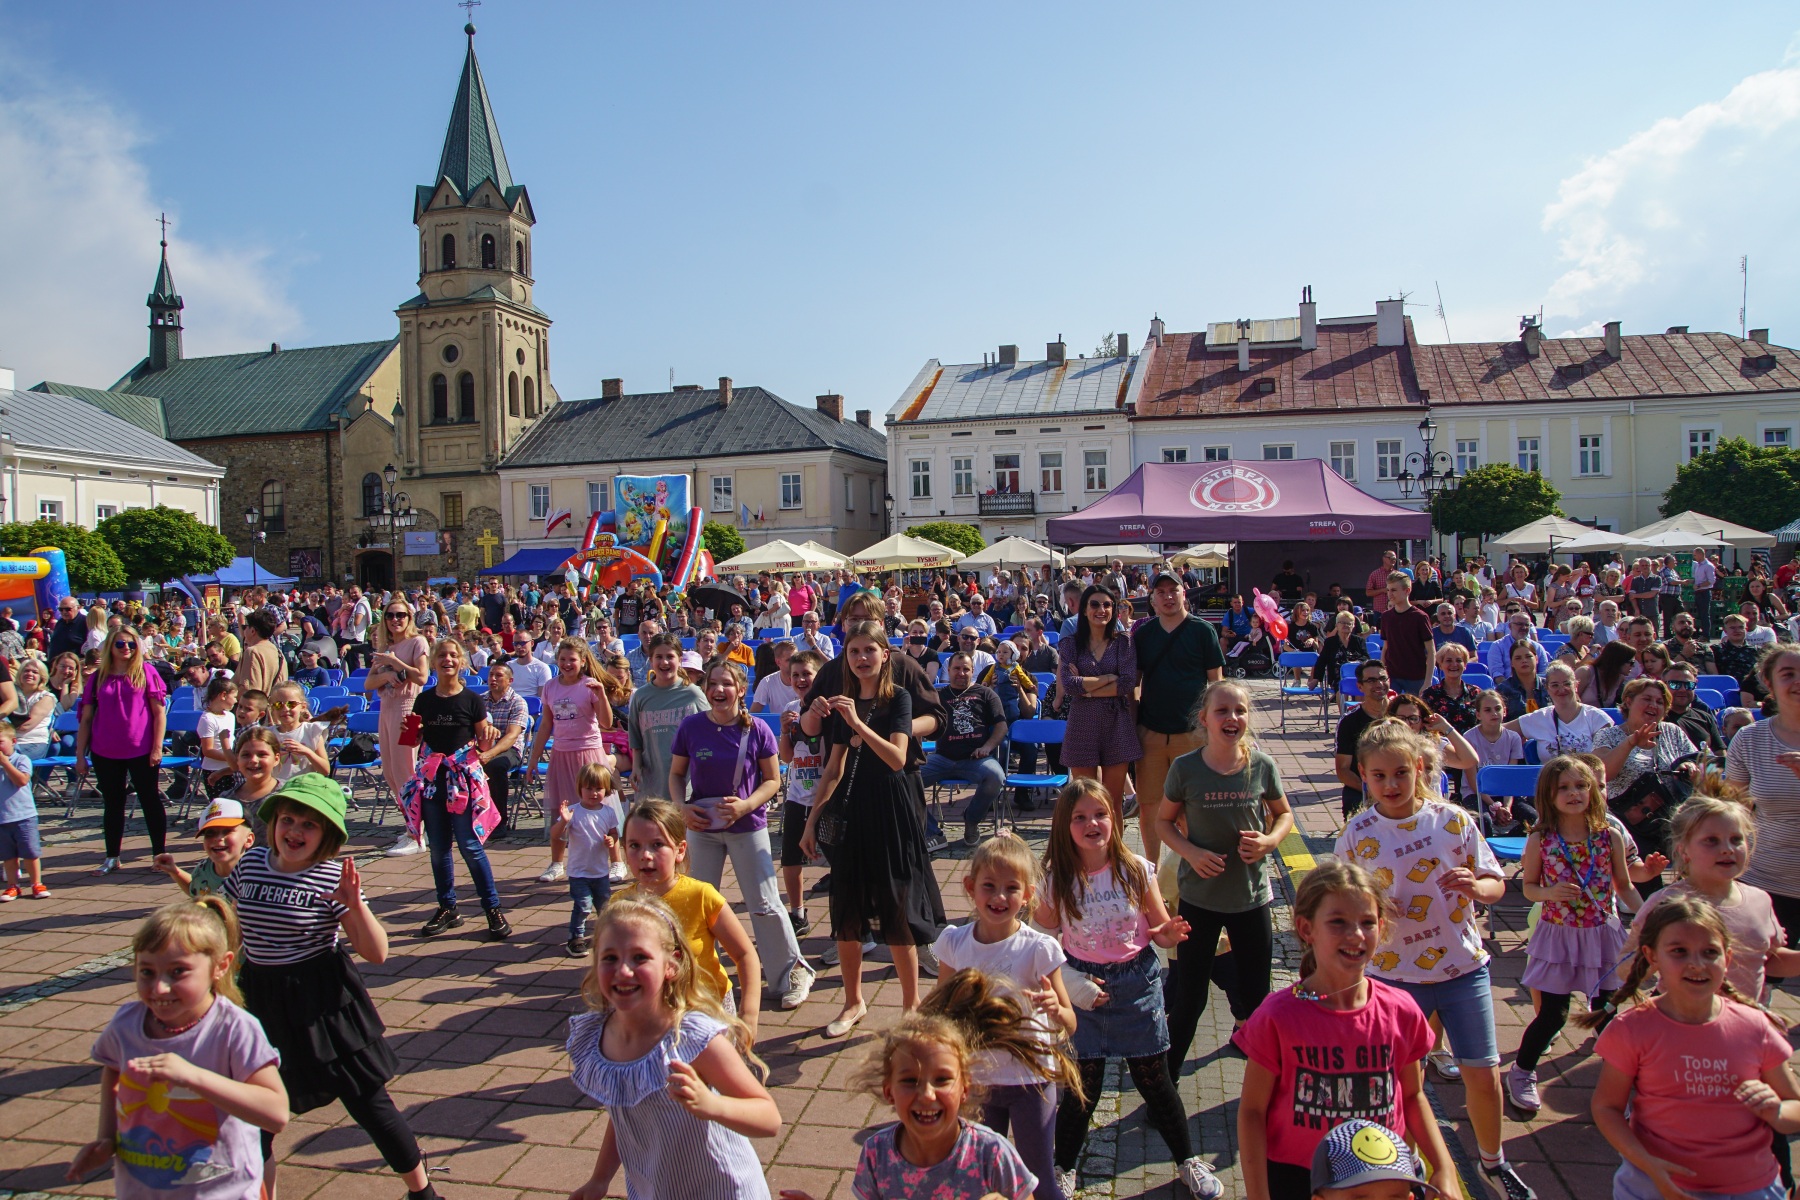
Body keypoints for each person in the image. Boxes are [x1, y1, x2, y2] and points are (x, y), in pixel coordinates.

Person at [1336, 722, 1528, 1199]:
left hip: (1463, 968)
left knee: (1482, 1072)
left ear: (1419, 768)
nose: (1391, 784)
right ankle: (1407, 1166)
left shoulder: (1452, 820)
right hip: (1393, 977)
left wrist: (1476, 887)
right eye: (1379, 776)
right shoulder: (1358, 833)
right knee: (1403, 1080)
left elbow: (1495, 882)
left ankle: (1492, 1161)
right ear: (1363, 775)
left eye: (1401, 772)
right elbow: (1341, 903)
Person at [224, 774, 437, 1200]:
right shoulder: (250, 864)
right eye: (288, 820)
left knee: (368, 1101)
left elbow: (376, 952)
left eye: (309, 825)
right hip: (260, 997)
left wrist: (355, 905)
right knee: (255, 1111)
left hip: (320, 998)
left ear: (327, 835)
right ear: (272, 822)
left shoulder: (330, 878)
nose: (294, 831)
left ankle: (423, 1193)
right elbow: (230, 928)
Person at [1234, 859, 1459, 1200]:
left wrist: (1445, 1167)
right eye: (1337, 922)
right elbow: (1252, 1111)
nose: (1355, 934)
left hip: (1382, 1174)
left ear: (1382, 927)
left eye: (1367, 922)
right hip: (1297, 1177)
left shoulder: (1401, 1011)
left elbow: (1412, 1095)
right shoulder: (1277, 1016)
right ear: (1306, 928)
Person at [1035, 778, 1217, 1198]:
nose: (1092, 823)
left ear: (1115, 819)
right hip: (1085, 988)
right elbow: (1041, 942)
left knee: (1155, 1081)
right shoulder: (1057, 879)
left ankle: (1187, 1161)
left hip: (1137, 983)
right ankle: (1063, 1167)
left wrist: (1168, 933)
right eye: (1080, 817)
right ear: (1064, 826)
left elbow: (1158, 930)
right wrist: (1071, 983)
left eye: (1100, 814)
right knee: (1083, 1086)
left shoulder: (1134, 868)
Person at [67, 896, 289, 1200]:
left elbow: (276, 1113)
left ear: (220, 966)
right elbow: (114, 1071)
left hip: (222, 1192)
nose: (159, 988)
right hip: (142, 1189)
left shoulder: (233, 1028)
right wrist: (106, 1139)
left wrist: (192, 1076)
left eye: (178, 971)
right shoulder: (126, 1024)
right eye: (147, 971)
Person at [565, 892, 780, 1200]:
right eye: (610, 957)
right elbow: (626, 1112)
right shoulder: (600, 1034)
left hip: (720, 1190)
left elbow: (769, 1118)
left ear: (671, 964)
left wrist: (712, 1105)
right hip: (654, 1188)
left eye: (640, 957)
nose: (623, 970)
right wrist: (599, 1179)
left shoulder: (691, 1037)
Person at [1589, 894, 1800, 1200]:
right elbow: (1606, 1106)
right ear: (1652, 956)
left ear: (1727, 958)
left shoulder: (1755, 1026)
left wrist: (1778, 1111)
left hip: (1750, 1186)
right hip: (1655, 1184)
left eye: (1710, 952)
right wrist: (1645, 1161)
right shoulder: (1632, 1028)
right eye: (1679, 951)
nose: (1697, 964)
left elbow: (1795, 1103)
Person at [800, 623, 945, 1033]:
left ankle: (911, 1004)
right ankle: (853, 1002)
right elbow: (833, 767)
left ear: (885, 654)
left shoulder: (897, 697)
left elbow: (897, 758)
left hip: (891, 808)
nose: (862, 658)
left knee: (896, 906)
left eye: (869, 650)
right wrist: (811, 822)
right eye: (854, 651)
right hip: (852, 809)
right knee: (846, 906)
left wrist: (859, 725)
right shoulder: (844, 702)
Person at [778, 985, 1044, 1200]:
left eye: (942, 1080)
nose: (927, 1094)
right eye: (909, 1081)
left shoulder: (991, 1153)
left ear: (965, 1088)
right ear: (889, 1091)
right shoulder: (877, 1153)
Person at [929, 839, 1077, 1200]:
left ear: (1027, 895)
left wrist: (1056, 1010)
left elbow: (1070, 1022)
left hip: (1030, 1080)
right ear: (970, 887)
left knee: (1038, 1179)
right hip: (977, 1080)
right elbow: (939, 1009)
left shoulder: (1038, 948)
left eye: (1011, 888)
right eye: (989, 886)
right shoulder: (954, 943)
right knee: (981, 1177)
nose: (999, 897)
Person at [1157, 680, 1291, 1078]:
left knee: (1257, 999)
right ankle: (1166, 1086)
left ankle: (1267, 1087)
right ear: (1204, 719)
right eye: (1222, 711)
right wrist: (1191, 852)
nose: (1232, 718)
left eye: (1239, 711)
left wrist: (1268, 842)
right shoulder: (1186, 768)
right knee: (1189, 999)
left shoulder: (1262, 766)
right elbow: (1164, 822)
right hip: (1199, 899)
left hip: (1251, 898)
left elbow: (1284, 814)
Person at [671, 659, 815, 1012]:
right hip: (702, 827)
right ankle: (700, 977)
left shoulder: (758, 730)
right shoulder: (691, 726)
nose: (718, 690)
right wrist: (681, 807)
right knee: (697, 904)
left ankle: (791, 973)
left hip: (747, 826)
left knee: (764, 904)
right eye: (712, 684)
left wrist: (745, 806)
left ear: (740, 689)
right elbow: (676, 774)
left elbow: (773, 780)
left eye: (726, 684)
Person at [1506, 756, 1639, 1115]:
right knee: (1553, 1015)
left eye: (1581, 785)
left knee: (1606, 1012)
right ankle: (1521, 1072)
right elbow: (1529, 887)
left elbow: (1625, 886)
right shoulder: (1541, 839)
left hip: (1601, 936)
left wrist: (1648, 919)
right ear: (1548, 795)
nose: (1574, 793)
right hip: (1559, 937)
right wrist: (1549, 893)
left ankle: (1623, 1084)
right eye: (1563, 788)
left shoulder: (1609, 836)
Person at [617, 800, 763, 1031]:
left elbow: (745, 954)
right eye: (634, 845)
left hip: (707, 1012)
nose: (645, 855)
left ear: (680, 850)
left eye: (657, 844)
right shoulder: (620, 906)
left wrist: (749, 1014)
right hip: (649, 1015)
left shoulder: (701, 896)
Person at [406, 638, 508, 940]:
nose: (448, 660)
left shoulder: (472, 700)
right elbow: (411, 740)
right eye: (442, 655)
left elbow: (483, 745)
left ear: (461, 662)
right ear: (434, 661)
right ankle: (447, 907)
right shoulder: (423, 700)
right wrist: (409, 732)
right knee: (438, 849)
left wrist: (489, 736)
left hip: (461, 783)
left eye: (453, 655)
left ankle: (492, 908)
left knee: (470, 846)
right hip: (433, 782)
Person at [76, 625, 169, 875]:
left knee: (150, 800)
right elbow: (86, 718)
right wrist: (80, 755)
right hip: (105, 749)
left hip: (141, 747)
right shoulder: (98, 677)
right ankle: (112, 857)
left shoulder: (146, 672)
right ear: (110, 647)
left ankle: (159, 854)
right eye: (120, 644)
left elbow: (159, 713)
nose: (126, 648)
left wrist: (157, 747)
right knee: (113, 803)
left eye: (131, 643)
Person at [528, 638, 621, 885]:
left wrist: (601, 695)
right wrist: (534, 759)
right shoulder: (550, 687)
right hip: (562, 754)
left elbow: (606, 723)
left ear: (582, 661)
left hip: (588, 754)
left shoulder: (589, 685)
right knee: (561, 810)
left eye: (572, 659)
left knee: (601, 807)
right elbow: (546, 725)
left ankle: (616, 861)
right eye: (563, 659)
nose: (567, 664)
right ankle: (557, 862)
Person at [1725, 645, 1800, 945]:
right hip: (1765, 881)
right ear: (1769, 683)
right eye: (1788, 674)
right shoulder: (1749, 739)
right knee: (1762, 970)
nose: (1798, 681)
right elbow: (1733, 812)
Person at [1057, 585, 1141, 828]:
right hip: (1082, 724)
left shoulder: (1124, 642)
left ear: (1114, 610)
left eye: (1107, 605)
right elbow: (1069, 684)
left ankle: (1115, 851)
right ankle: (1087, 850)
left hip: (1117, 724)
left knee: (1112, 802)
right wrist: (1107, 678)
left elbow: (1127, 683)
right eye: (1094, 604)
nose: (1101, 609)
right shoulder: (1071, 644)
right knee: (1085, 801)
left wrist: (1087, 687)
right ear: (1084, 609)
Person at [921, 651, 1009, 847]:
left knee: (996, 777)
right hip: (942, 758)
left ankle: (971, 820)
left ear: (973, 671)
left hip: (977, 760)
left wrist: (987, 747)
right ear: (948, 670)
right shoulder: (937, 696)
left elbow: (1001, 726)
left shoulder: (986, 694)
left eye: (966, 669)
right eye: (956, 669)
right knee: (903, 781)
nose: (961, 673)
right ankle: (933, 832)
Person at [367, 599, 430, 857]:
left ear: (409, 617)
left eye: (401, 615)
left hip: (408, 710)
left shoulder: (417, 642)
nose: (395, 620)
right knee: (390, 772)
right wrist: (385, 674)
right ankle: (411, 825)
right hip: (386, 709)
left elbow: (422, 677)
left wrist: (396, 664)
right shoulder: (386, 647)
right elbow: (369, 683)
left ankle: (417, 835)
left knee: (406, 772)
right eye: (390, 615)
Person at [775, 650, 826, 933]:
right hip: (797, 794)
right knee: (790, 859)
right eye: (795, 675)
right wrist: (785, 730)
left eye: (807, 674)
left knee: (837, 857)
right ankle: (798, 912)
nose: (801, 679)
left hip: (826, 795)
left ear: (818, 676)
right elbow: (786, 757)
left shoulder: (826, 708)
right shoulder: (791, 708)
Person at [556, 761, 622, 955]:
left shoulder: (608, 812)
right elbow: (555, 835)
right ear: (580, 788)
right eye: (589, 788)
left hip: (600, 872)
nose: (593, 793)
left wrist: (611, 840)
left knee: (604, 908)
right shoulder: (573, 812)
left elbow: (614, 833)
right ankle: (575, 937)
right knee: (583, 905)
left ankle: (606, 936)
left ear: (606, 790)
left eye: (598, 789)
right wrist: (564, 822)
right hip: (579, 872)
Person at [1508, 661, 1615, 760]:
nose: (1561, 689)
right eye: (1555, 685)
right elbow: (1501, 730)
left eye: (1567, 684)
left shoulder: (1597, 718)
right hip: (1550, 774)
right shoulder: (1540, 717)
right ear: (1547, 688)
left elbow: (1605, 761)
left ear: (1576, 685)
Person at [153, 796, 254, 899]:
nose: (218, 838)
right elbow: (196, 890)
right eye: (210, 833)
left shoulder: (256, 875)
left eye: (227, 831)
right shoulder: (203, 869)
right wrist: (174, 871)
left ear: (249, 840)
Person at [1333, 661, 1391, 817]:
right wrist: (1370, 790)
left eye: (1383, 678)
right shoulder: (1349, 722)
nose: (1379, 684)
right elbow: (1343, 770)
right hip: (1363, 787)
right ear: (1360, 687)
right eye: (1371, 680)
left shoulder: (1402, 715)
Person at [477, 663, 527, 837]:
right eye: (491, 675)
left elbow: (512, 736)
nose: (493, 679)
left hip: (509, 749)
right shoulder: (479, 700)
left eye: (498, 676)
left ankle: (499, 822)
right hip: (482, 745)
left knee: (495, 766)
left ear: (510, 680)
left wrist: (489, 754)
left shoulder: (518, 702)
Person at [268, 681, 340, 782]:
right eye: (278, 705)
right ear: (272, 708)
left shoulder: (311, 731)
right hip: (276, 788)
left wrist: (307, 752)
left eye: (291, 704)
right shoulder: (268, 734)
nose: (285, 709)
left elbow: (325, 770)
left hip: (303, 786)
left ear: (303, 707)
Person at [1379, 574, 1435, 697]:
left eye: (1394, 590)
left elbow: (1431, 651)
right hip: (1392, 676)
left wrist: (1428, 681)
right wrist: (1382, 674)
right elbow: (1385, 647)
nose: (1390, 594)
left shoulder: (1420, 617)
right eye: (1388, 590)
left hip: (1416, 676)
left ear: (1407, 591)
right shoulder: (1386, 617)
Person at [1311, 611, 1367, 692]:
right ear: (1336, 625)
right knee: (1343, 684)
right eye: (1342, 622)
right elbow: (1322, 661)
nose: (1346, 625)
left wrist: (1355, 662)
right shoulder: (1330, 642)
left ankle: (1354, 702)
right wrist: (1316, 679)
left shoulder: (1359, 641)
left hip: (1356, 675)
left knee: (1360, 686)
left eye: (1349, 623)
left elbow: (1366, 657)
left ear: (1353, 626)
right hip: (1337, 677)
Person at [1496, 639, 1549, 721]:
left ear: (1536, 659)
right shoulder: (1502, 690)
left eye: (1528, 656)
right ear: (1511, 663)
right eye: (1518, 658)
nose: (1524, 661)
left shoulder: (1549, 686)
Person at [1366, 549, 1397, 614]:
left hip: (1395, 610)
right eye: (1391, 558)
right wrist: (1382, 590)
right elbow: (1368, 593)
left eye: (1394, 559)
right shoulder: (1375, 574)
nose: (1393, 560)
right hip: (1379, 610)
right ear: (1384, 559)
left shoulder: (1397, 575)